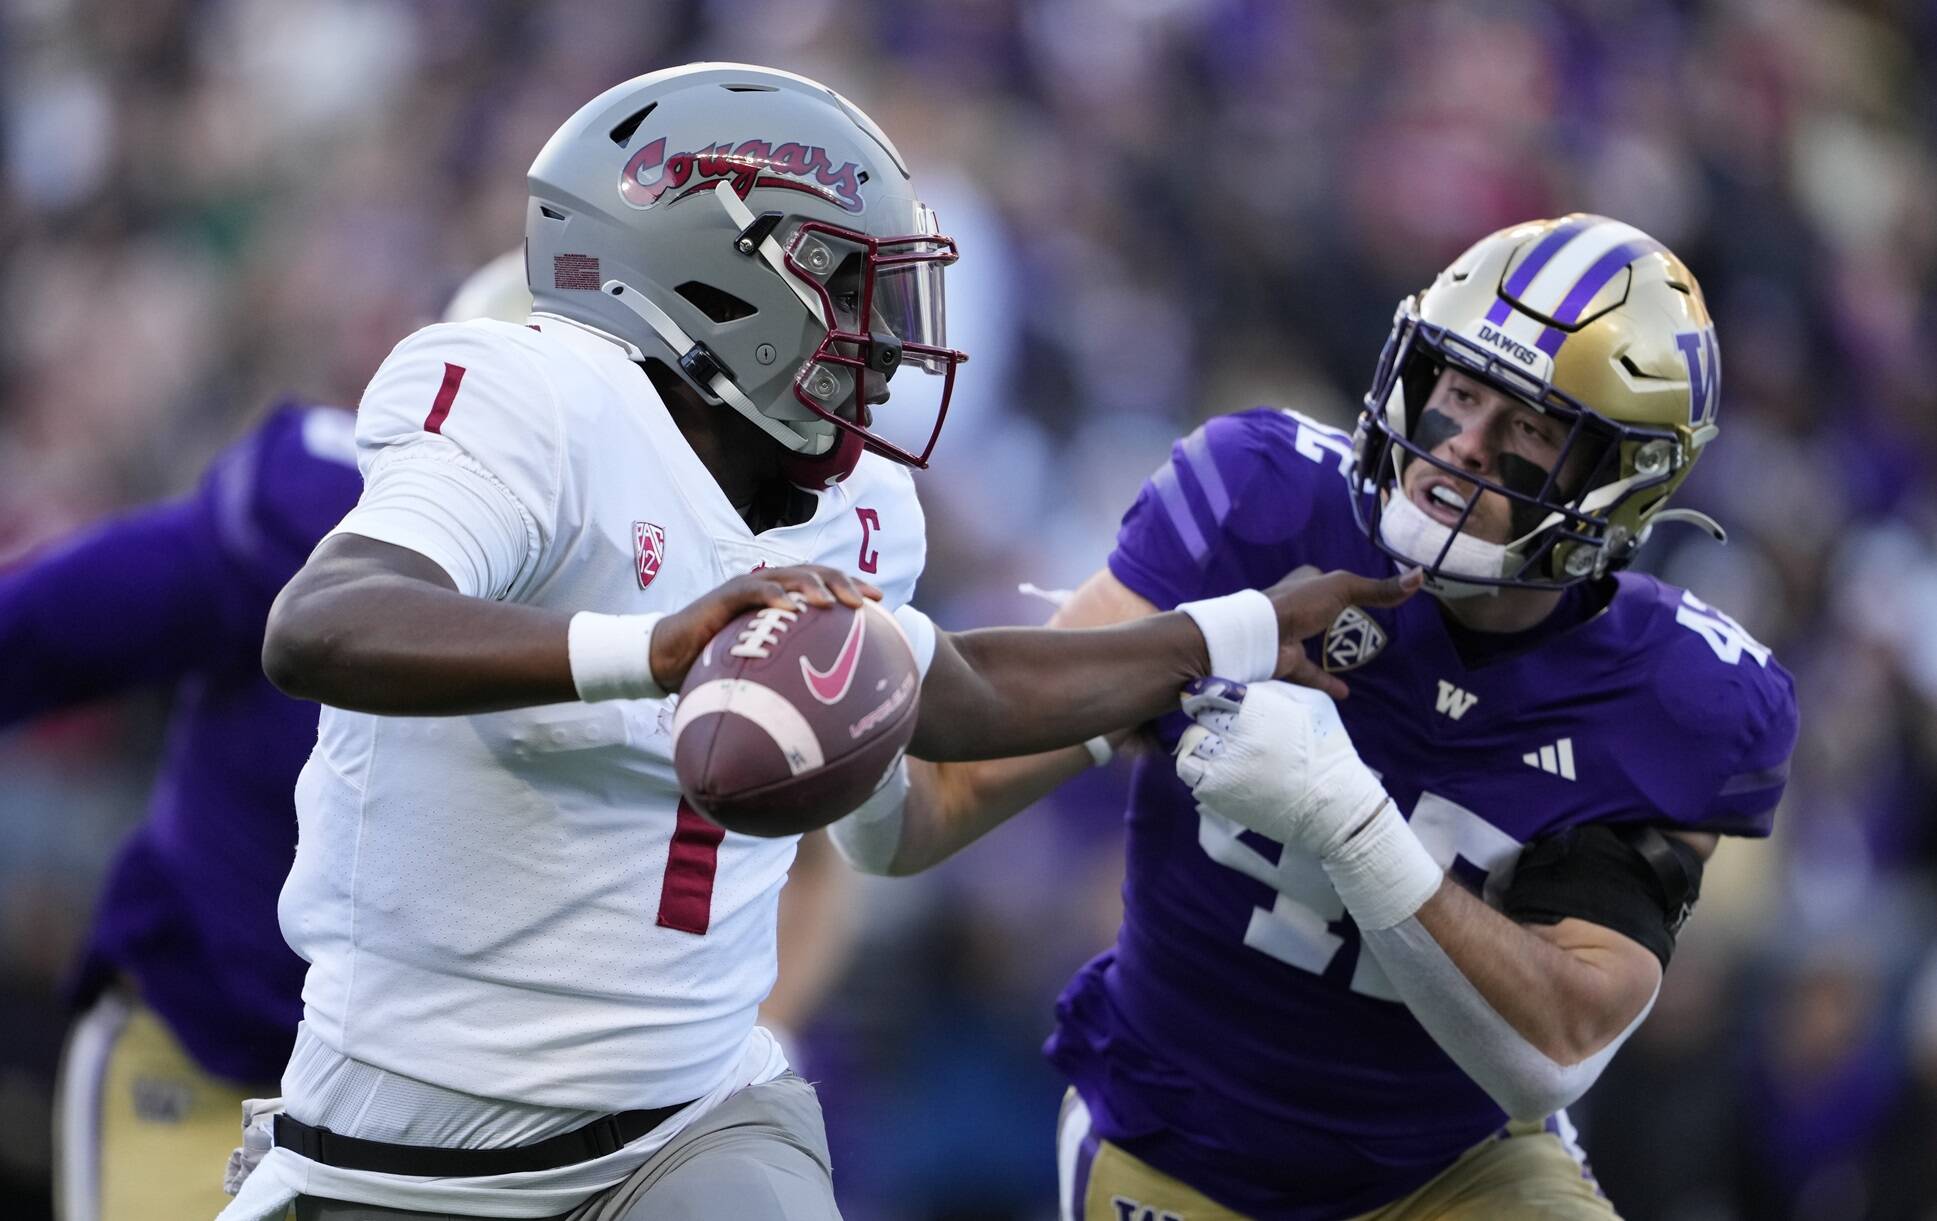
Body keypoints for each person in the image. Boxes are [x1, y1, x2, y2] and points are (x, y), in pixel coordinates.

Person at [218, 62, 1407, 1221]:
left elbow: (951, 688)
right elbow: (323, 622)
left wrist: (1235, 632)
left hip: (691, 1123)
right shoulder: (540, 398)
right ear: (708, 276)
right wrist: (651, 651)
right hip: (386, 1144)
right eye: (849, 286)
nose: (885, 343)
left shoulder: (855, 506)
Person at [834, 215, 1799, 1220]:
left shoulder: (1677, 694)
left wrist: (1343, 817)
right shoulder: (1259, 503)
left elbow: (1547, 1054)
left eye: (1527, 432)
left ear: (1619, 483)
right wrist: (845, 718)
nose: (1456, 451)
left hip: (1454, 1169)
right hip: (1186, 1149)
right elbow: (931, 806)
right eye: (1457, 394)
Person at [0, 398, 361, 1221]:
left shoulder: (661, 601)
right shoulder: (323, 516)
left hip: (451, 1101)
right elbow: (54, 621)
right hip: (211, 1058)